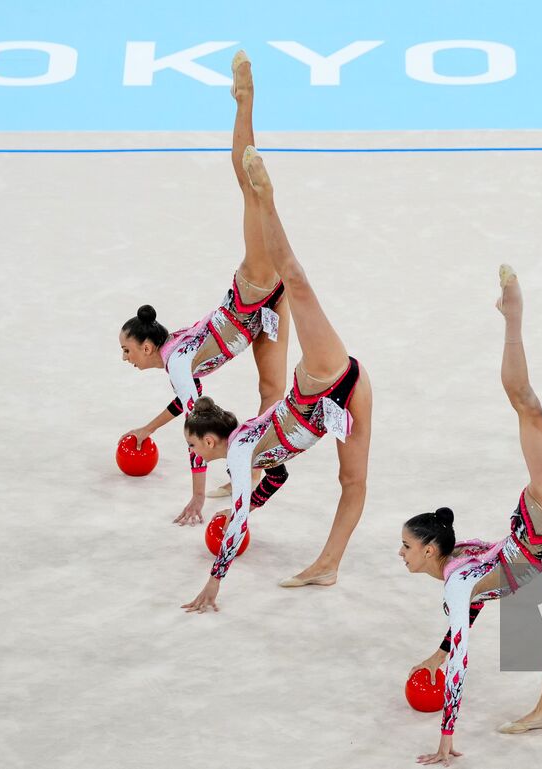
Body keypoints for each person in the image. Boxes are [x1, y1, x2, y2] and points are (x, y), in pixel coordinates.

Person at [401, 266, 542, 766]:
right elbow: (479, 599)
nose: (401, 554)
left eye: (406, 546)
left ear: (431, 550)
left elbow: (463, 659)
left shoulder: (454, 579)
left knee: (526, 405)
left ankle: (513, 316)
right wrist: (439, 653)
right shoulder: (459, 567)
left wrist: (445, 739)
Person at [180, 146, 374, 607]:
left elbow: (244, 511)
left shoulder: (242, 449)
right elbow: (277, 474)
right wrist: (245, 502)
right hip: (339, 404)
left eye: (192, 446)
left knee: (296, 281)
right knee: (353, 482)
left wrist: (214, 582)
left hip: (320, 385)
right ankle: (328, 565)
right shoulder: (245, 452)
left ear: (211, 442)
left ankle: (266, 196)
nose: (192, 455)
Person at [118, 51, 290, 524]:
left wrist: (195, 497)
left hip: (252, 294)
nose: (127, 359)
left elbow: (195, 430)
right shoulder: (175, 361)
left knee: (250, 188)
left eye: (129, 350)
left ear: (150, 346)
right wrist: (149, 428)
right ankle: (253, 472)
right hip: (267, 310)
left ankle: (244, 100)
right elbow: (184, 404)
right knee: (271, 389)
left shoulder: (175, 360)